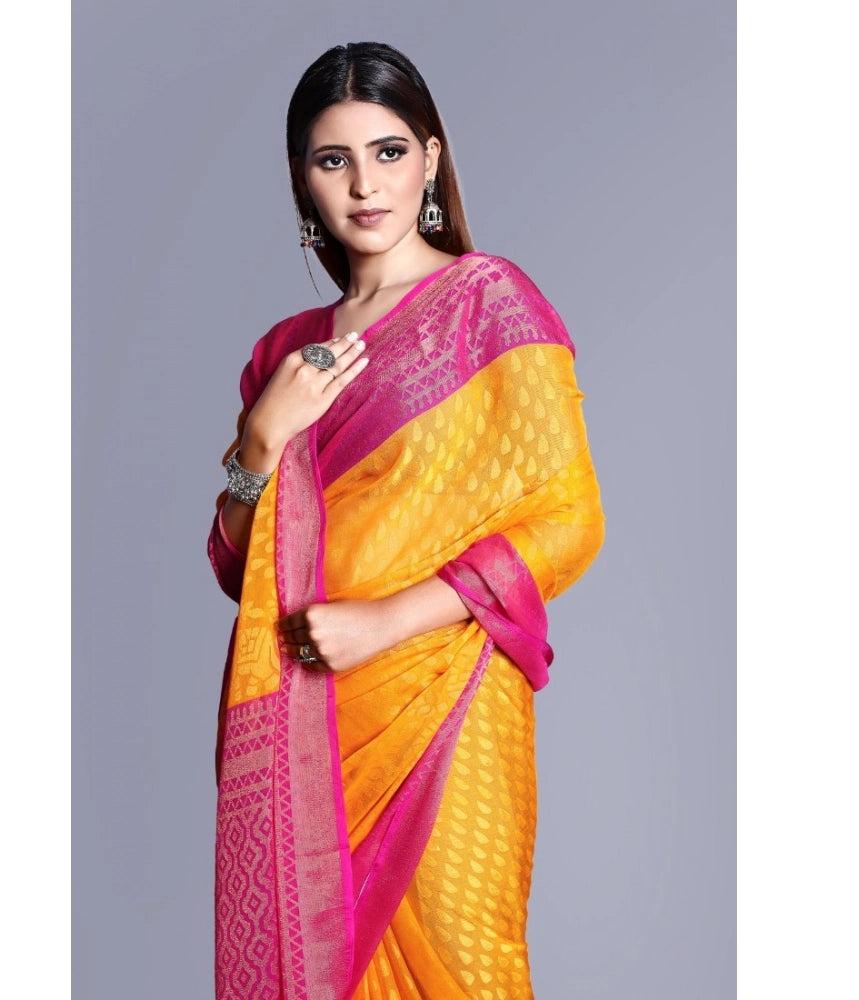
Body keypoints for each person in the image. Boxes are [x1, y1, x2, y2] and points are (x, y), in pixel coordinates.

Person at [207, 41, 604, 1000]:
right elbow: (232, 561)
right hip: (305, 714)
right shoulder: (285, 352)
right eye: (332, 159)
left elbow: (568, 520)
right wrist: (260, 439)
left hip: (445, 697)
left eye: (387, 152)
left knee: (465, 967)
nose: (364, 185)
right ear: (303, 179)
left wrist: (386, 621)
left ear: (430, 158)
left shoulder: (487, 305)